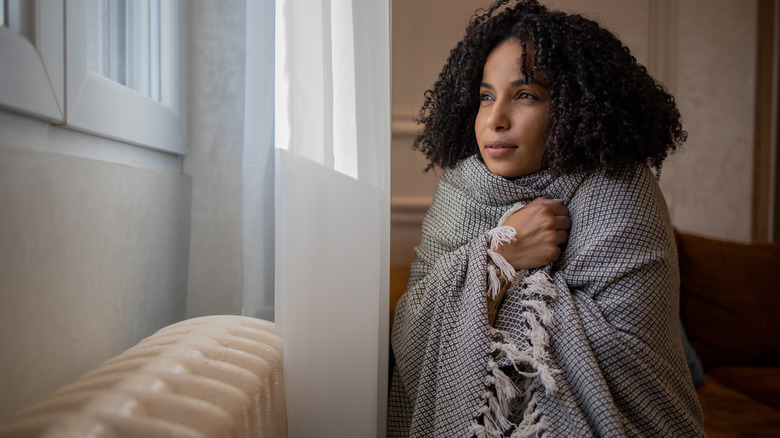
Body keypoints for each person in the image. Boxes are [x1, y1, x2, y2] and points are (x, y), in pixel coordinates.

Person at [388, 1, 705, 436]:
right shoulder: (459, 191)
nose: (495, 119)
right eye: (486, 96)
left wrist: (490, 290)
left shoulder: (621, 187)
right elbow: (410, 334)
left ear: (573, 105)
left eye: (525, 95)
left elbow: (628, 356)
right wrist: (502, 251)